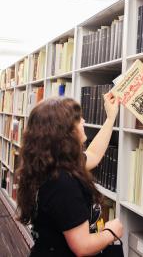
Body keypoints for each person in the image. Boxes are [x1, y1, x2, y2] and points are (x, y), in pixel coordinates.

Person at [16, 93, 123, 256]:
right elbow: (82, 247)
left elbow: (93, 154)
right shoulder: (62, 183)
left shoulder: (50, 164)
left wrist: (110, 118)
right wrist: (111, 232)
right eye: (78, 119)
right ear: (64, 131)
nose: (84, 121)